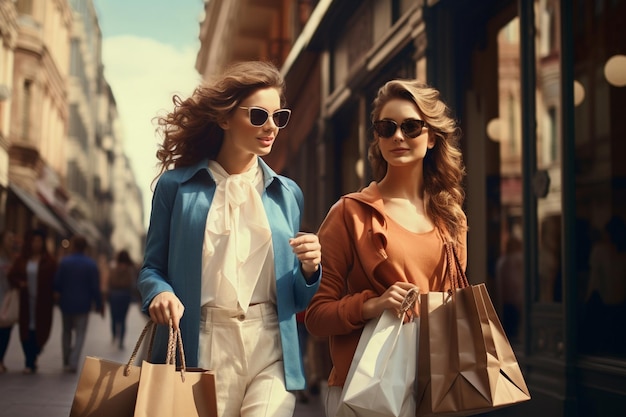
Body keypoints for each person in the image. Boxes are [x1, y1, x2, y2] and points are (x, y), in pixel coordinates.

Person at [137, 60, 322, 417]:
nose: (271, 127)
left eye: (278, 117)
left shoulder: (288, 194)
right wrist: (160, 292)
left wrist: (311, 269)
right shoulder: (175, 188)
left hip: (271, 347)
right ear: (223, 119)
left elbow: (298, 298)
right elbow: (151, 269)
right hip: (203, 344)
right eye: (257, 115)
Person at [305, 79, 467, 417]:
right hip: (367, 390)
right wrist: (373, 305)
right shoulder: (349, 213)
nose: (398, 136)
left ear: (432, 136)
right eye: (386, 127)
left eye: (411, 126)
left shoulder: (452, 218)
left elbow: (455, 301)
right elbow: (317, 317)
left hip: (436, 385)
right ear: (377, 138)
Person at [8, 229, 58, 374]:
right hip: (25, 301)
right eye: (34, 241)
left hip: (42, 302)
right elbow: (12, 276)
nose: (36, 244)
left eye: (39, 241)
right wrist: (20, 284)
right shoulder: (23, 260)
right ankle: (28, 361)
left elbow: (55, 279)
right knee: (25, 329)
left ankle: (34, 354)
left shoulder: (49, 261)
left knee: (40, 329)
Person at [53, 235, 103, 373]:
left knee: (66, 332)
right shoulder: (91, 264)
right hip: (83, 305)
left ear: (74, 245)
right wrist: (99, 304)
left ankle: (66, 358)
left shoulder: (65, 262)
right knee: (80, 334)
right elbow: (95, 287)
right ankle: (74, 362)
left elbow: (57, 283)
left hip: (66, 303)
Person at [107, 249, 137, 349]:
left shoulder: (114, 268)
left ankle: (115, 335)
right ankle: (121, 341)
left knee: (114, 317)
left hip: (114, 295)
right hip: (125, 295)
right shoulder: (130, 269)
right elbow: (132, 284)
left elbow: (110, 281)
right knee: (123, 319)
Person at [0, 230, 18, 373]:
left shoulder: (13, 258)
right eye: (9, 238)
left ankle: (1, 359)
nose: (12, 241)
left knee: (6, 329)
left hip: (9, 298)